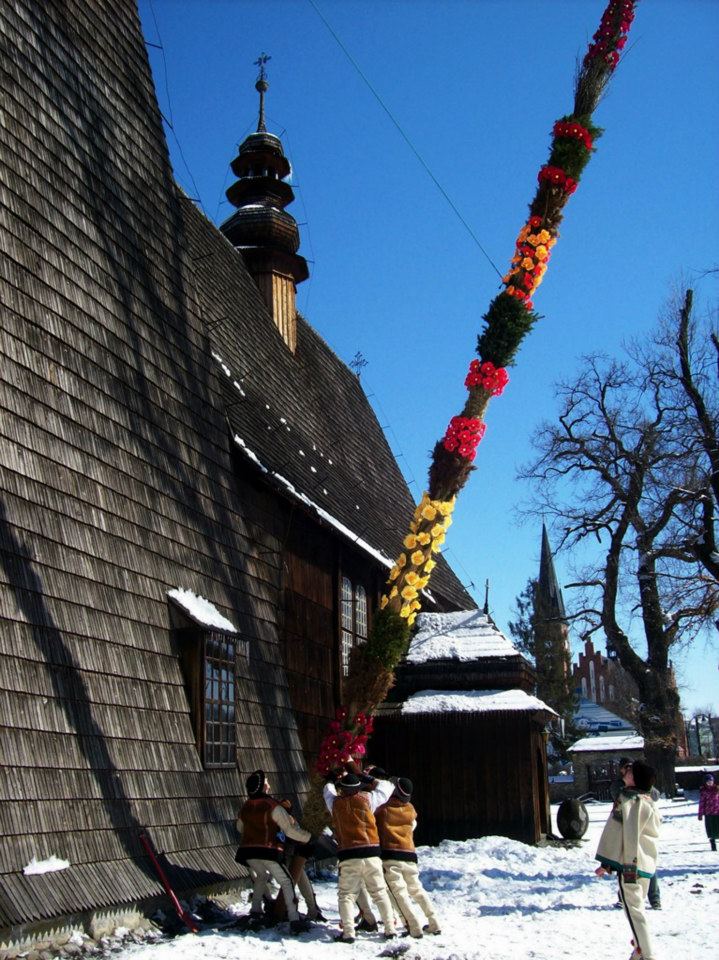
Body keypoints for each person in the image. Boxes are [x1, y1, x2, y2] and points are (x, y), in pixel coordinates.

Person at [595, 759, 661, 960]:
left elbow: (621, 833)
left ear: (635, 778)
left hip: (631, 864)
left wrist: (608, 863)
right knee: (637, 910)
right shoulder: (648, 800)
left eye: (630, 771)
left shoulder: (629, 801)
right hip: (646, 863)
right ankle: (638, 951)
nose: (626, 772)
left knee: (634, 911)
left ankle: (647, 954)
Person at [234, 770, 313, 935]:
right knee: (287, 881)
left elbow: (240, 828)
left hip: (248, 851)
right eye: (267, 782)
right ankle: (294, 918)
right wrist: (307, 837)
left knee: (261, 876)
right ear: (263, 787)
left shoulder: (246, 806)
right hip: (268, 850)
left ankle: (256, 910)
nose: (269, 785)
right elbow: (289, 830)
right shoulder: (273, 806)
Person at [323, 771, 397, 944]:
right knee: (379, 892)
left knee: (347, 895)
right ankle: (390, 929)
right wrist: (369, 778)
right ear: (358, 788)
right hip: (371, 853)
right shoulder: (368, 799)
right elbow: (387, 787)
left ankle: (348, 933)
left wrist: (331, 780)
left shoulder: (334, 803)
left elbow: (327, 791)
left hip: (348, 855)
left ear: (342, 789)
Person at [375, 778, 441, 937]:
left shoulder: (382, 810)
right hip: (410, 854)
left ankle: (413, 926)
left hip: (391, 855)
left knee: (399, 892)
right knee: (417, 889)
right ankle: (434, 922)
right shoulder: (410, 809)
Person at [610, 758, 661, 910]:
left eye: (631, 768)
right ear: (621, 770)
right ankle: (623, 897)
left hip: (643, 828)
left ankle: (655, 899)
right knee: (625, 865)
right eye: (626, 768)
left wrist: (643, 784)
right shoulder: (618, 785)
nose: (629, 771)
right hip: (626, 827)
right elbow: (618, 796)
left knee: (648, 863)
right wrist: (628, 785)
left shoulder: (642, 782)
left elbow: (655, 795)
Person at [697, 772, 719, 851]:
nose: (710, 783)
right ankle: (713, 844)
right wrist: (700, 814)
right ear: (705, 782)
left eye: (711, 781)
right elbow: (701, 803)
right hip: (708, 813)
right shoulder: (704, 791)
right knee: (711, 830)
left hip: (717, 812)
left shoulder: (717, 789)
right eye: (708, 781)